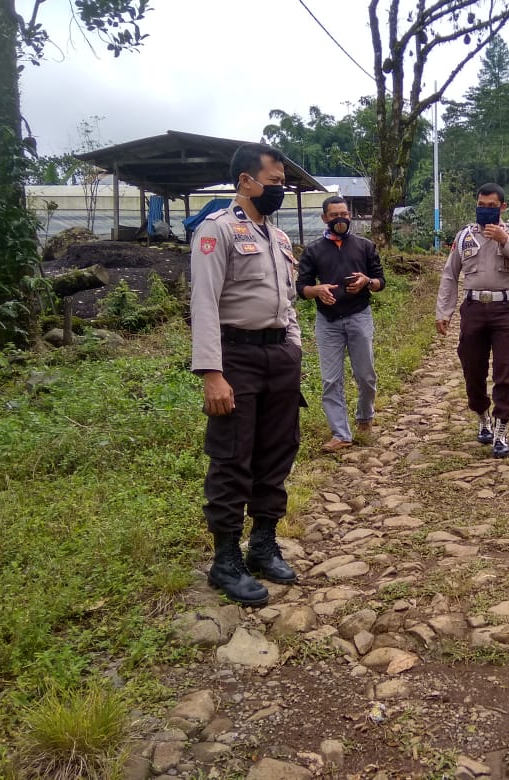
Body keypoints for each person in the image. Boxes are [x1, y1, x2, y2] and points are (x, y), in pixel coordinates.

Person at [190, 143, 302, 606]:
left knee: (277, 452)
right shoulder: (217, 230)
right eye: (273, 182)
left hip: (279, 357)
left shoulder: (278, 238)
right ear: (245, 181)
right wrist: (211, 373)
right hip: (236, 357)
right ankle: (225, 560)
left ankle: (263, 543)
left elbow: (287, 302)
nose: (279, 190)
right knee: (233, 456)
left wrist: (293, 346)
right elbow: (203, 303)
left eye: (282, 183)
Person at [435, 183, 509, 458]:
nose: (485, 210)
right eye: (481, 205)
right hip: (473, 308)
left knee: (506, 369)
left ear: (503, 207)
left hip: (505, 308)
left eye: (492, 206)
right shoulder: (465, 236)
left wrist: (505, 240)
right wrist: (443, 311)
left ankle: (501, 429)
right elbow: (450, 274)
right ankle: (482, 417)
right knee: (472, 369)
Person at [296, 196, 386, 453]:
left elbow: (380, 281)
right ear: (324, 218)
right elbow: (301, 287)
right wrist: (317, 290)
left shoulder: (365, 246)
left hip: (359, 315)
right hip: (328, 321)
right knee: (331, 380)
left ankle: (365, 416)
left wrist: (367, 282)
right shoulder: (313, 251)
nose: (340, 219)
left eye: (344, 214)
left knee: (366, 376)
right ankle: (340, 434)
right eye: (334, 215)